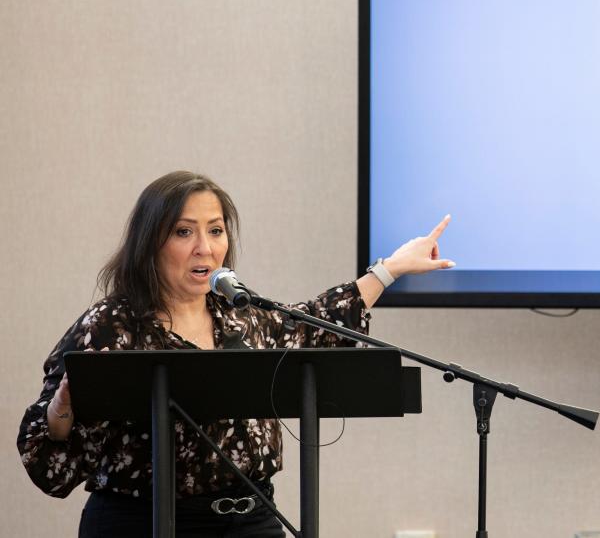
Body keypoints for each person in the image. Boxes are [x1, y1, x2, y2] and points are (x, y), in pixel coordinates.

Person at [17, 170, 454, 537]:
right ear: (151, 242)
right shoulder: (110, 326)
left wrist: (389, 268)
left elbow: (311, 325)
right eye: (184, 232)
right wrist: (59, 416)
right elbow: (46, 459)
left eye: (215, 230)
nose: (204, 247)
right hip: (144, 525)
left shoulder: (239, 314)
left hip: (250, 521)